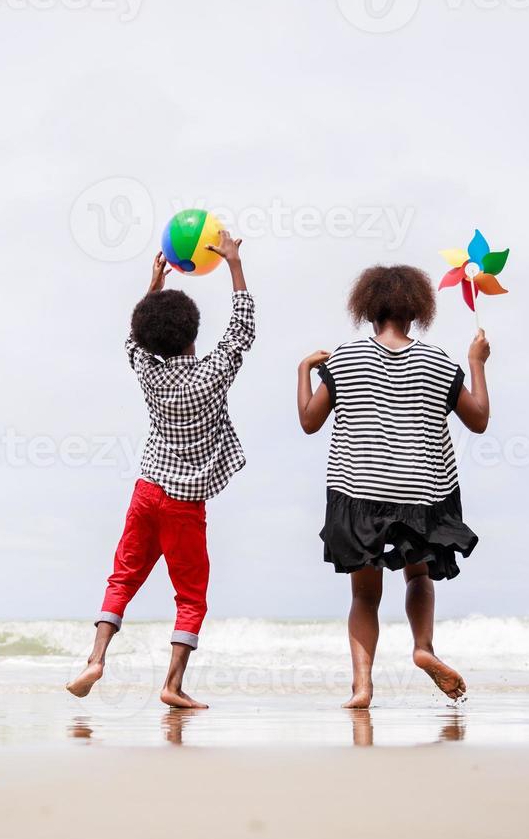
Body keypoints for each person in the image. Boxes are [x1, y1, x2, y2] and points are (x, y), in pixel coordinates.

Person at [67, 234, 253, 709]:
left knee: (123, 576)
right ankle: (171, 685)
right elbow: (242, 330)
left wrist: (151, 286)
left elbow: (133, 341)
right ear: (192, 335)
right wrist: (233, 262)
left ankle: (96, 657)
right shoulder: (212, 374)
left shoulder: (147, 370)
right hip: (184, 503)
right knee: (190, 596)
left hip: (147, 489)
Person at [297, 265, 490, 709]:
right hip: (422, 493)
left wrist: (304, 369)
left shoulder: (343, 359)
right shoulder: (440, 361)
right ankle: (423, 647)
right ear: (418, 311)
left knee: (365, 594)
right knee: (418, 575)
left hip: (359, 492)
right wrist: (477, 364)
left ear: (367, 309)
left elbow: (309, 421)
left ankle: (362, 687)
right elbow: (478, 419)